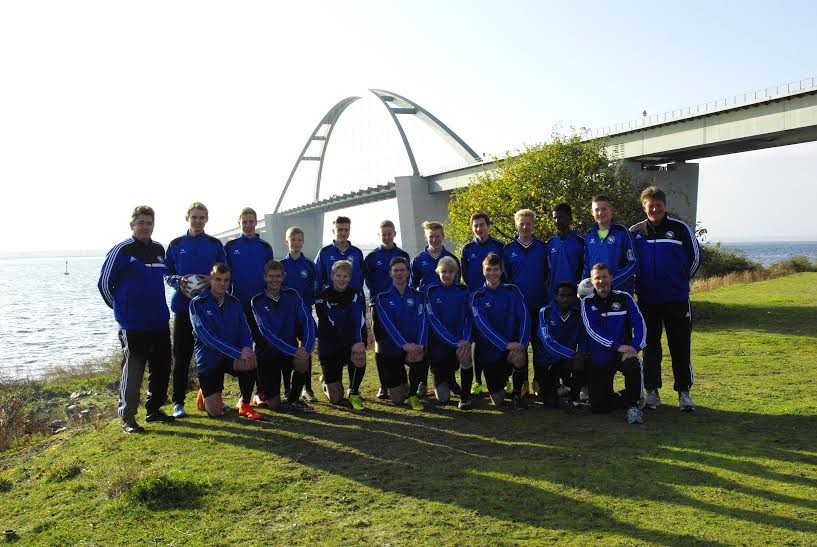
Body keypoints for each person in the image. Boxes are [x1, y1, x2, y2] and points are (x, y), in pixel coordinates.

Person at [98, 205, 174, 433]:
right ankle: (128, 418)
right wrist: (121, 309)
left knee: (162, 366)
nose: (145, 226)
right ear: (132, 225)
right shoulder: (121, 250)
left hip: (159, 320)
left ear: (153, 225)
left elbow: (167, 276)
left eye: (149, 222)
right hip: (133, 325)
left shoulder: (160, 249)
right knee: (133, 371)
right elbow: (104, 285)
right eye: (140, 222)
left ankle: (154, 410)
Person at [630, 186, 701, 411]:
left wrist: (679, 281)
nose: (654, 208)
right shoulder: (635, 232)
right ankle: (652, 392)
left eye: (658, 205)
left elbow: (696, 258)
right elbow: (630, 263)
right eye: (650, 205)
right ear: (644, 206)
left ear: (665, 206)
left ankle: (684, 393)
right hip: (648, 301)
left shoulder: (680, 229)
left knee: (680, 346)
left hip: (676, 299)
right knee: (651, 347)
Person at [164, 202, 226, 418]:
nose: (198, 221)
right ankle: (178, 402)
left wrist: (212, 280)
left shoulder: (215, 244)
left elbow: (224, 272)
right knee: (181, 356)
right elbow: (166, 273)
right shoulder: (175, 244)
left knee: (213, 353)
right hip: (183, 307)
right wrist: (177, 280)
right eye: (194, 217)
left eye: (202, 217)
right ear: (187, 217)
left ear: (206, 219)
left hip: (208, 308)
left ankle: (214, 396)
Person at [190, 263, 260, 420]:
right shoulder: (197, 303)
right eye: (218, 279)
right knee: (215, 413)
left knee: (251, 361)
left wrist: (247, 350)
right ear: (210, 279)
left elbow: (245, 331)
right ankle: (205, 392)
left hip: (230, 358)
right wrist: (237, 352)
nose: (222, 283)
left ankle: (244, 403)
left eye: (226, 280)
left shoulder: (235, 303)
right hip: (209, 360)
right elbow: (207, 338)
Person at [580, 263, 646, 424]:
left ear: (611, 277)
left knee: (632, 364)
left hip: (623, 354)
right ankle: (629, 396)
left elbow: (640, 323)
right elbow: (592, 330)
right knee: (598, 407)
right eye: (597, 278)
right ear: (592, 281)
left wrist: (635, 348)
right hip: (600, 356)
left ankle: (633, 406)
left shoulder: (624, 297)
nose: (601, 281)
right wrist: (616, 345)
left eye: (604, 277)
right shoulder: (587, 302)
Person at [224, 207, 275, 407]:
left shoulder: (265, 247)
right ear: (239, 223)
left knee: (262, 349)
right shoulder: (230, 246)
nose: (248, 225)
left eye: (251, 221)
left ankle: (260, 392)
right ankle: (243, 394)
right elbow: (224, 277)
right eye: (244, 221)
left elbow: (271, 277)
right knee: (242, 349)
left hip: (261, 306)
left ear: (256, 222)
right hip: (238, 305)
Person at [251, 261, 315, 413]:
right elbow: (266, 332)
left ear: (283, 276)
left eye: (278, 276)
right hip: (267, 355)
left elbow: (307, 321)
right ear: (265, 277)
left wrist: (306, 349)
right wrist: (294, 351)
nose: (275, 280)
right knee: (274, 406)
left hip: (289, 352)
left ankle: (294, 399)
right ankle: (264, 395)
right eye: (271, 276)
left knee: (304, 359)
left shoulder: (292, 295)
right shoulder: (257, 301)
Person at [471, 253, 530, 409]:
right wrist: (505, 344)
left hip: (511, 348)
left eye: (496, 269)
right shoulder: (477, 296)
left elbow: (524, 318)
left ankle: (517, 394)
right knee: (498, 401)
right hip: (490, 351)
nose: (492, 273)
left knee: (519, 356)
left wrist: (522, 343)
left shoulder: (513, 291)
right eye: (488, 269)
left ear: (501, 271)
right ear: (483, 271)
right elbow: (483, 326)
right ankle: (503, 381)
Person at [502, 209, 549, 396]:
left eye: (529, 223)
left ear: (533, 225)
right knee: (519, 346)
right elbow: (505, 280)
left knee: (538, 346)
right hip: (518, 310)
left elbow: (547, 275)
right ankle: (521, 384)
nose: (525, 226)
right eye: (522, 223)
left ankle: (538, 381)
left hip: (539, 306)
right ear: (516, 225)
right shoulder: (507, 250)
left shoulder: (542, 247)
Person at [364, 220, 410, 400]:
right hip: (379, 306)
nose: (387, 236)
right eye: (383, 234)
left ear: (394, 234)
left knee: (402, 341)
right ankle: (383, 385)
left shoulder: (403, 255)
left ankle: (403, 380)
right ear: (379, 235)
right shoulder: (372, 257)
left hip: (401, 305)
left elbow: (409, 278)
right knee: (381, 345)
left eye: (389, 233)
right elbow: (368, 280)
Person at [375, 257, 428, 411]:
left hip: (413, 346)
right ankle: (402, 383)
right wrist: (404, 344)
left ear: (408, 273)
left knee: (419, 354)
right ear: (390, 273)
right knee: (397, 399)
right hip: (392, 349)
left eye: (402, 270)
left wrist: (420, 344)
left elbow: (423, 321)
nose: (399, 273)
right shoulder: (382, 298)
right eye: (395, 270)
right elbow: (388, 325)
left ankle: (412, 394)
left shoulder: (418, 296)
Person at [460, 212, 504, 396]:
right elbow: (464, 274)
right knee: (476, 341)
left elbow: (505, 272)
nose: (479, 228)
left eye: (482, 225)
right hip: (475, 301)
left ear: (488, 225)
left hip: (496, 298)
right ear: (472, 228)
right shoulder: (468, 248)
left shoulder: (499, 246)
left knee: (499, 337)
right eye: (475, 226)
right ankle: (477, 381)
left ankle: (505, 378)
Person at [314, 260, 367, 410]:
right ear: (332, 276)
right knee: (336, 399)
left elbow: (360, 319)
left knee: (360, 355)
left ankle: (354, 391)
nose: (341, 279)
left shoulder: (356, 293)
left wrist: (359, 342)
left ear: (350, 278)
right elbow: (331, 321)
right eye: (338, 276)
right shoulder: (322, 296)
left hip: (350, 343)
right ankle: (325, 381)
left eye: (345, 276)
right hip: (329, 346)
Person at [425, 256, 474, 409]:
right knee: (443, 399)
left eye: (451, 271)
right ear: (438, 272)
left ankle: (465, 397)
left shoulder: (463, 291)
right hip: (438, 347)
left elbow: (469, 318)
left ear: (456, 273)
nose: (447, 275)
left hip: (460, 343)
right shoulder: (430, 292)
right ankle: (450, 382)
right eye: (443, 271)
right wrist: (454, 341)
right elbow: (433, 322)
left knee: (466, 356)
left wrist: (465, 340)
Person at [280, 226, 319, 402]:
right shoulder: (281, 265)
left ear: (303, 242)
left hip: (305, 314)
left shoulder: (310, 265)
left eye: (299, 240)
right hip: (286, 316)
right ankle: (288, 389)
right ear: (286, 242)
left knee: (306, 349)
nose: (296, 243)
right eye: (292, 240)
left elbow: (316, 288)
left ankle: (307, 388)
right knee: (288, 351)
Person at [537, 281, 589, 408]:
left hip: (567, 361)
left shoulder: (578, 314)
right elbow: (548, 343)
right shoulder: (545, 312)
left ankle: (574, 397)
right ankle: (555, 389)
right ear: (556, 297)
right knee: (551, 404)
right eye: (562, 295)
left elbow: (583, 338)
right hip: (548, 362)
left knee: (582, 362)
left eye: (569, 295)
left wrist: (581, 353)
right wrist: (572, 354)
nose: (565, 299)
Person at [582, 195, 637, 294]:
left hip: (619, 292)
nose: (600, 213)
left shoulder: (622, 232)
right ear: (592, 212)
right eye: (597, 210)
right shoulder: (589, 235)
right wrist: (584, 285)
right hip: (596, 293)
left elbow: (633, 264)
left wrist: (612, 282)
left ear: (611, 210)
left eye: (604, 209)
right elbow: (586, 265)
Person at [315, 216, 365, 293]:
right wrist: (319, 298)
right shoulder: (324, 252)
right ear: (333, 231)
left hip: (353, 299)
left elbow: (361, 277)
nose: (343, 233)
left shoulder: (357, 253)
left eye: (346, 230)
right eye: (340, 230)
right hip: (331, 299)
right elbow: (317, 278)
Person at [410, 220, 461, 292]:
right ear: (425, 237)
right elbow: (412, 287)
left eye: (437, 236)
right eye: (431, 236)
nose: (434, 240)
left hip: (448, 301)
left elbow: (457, 283)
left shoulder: (453, 259)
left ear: (443, 236)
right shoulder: (417, 260)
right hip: (426, 301)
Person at [546, 203, 585, 289]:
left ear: (570, 218)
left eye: (560, 217)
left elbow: (586, 268)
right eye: (555, 218)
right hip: (554, 295)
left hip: (574, 294)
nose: (557, 221)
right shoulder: (550, 244)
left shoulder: (580, 241)